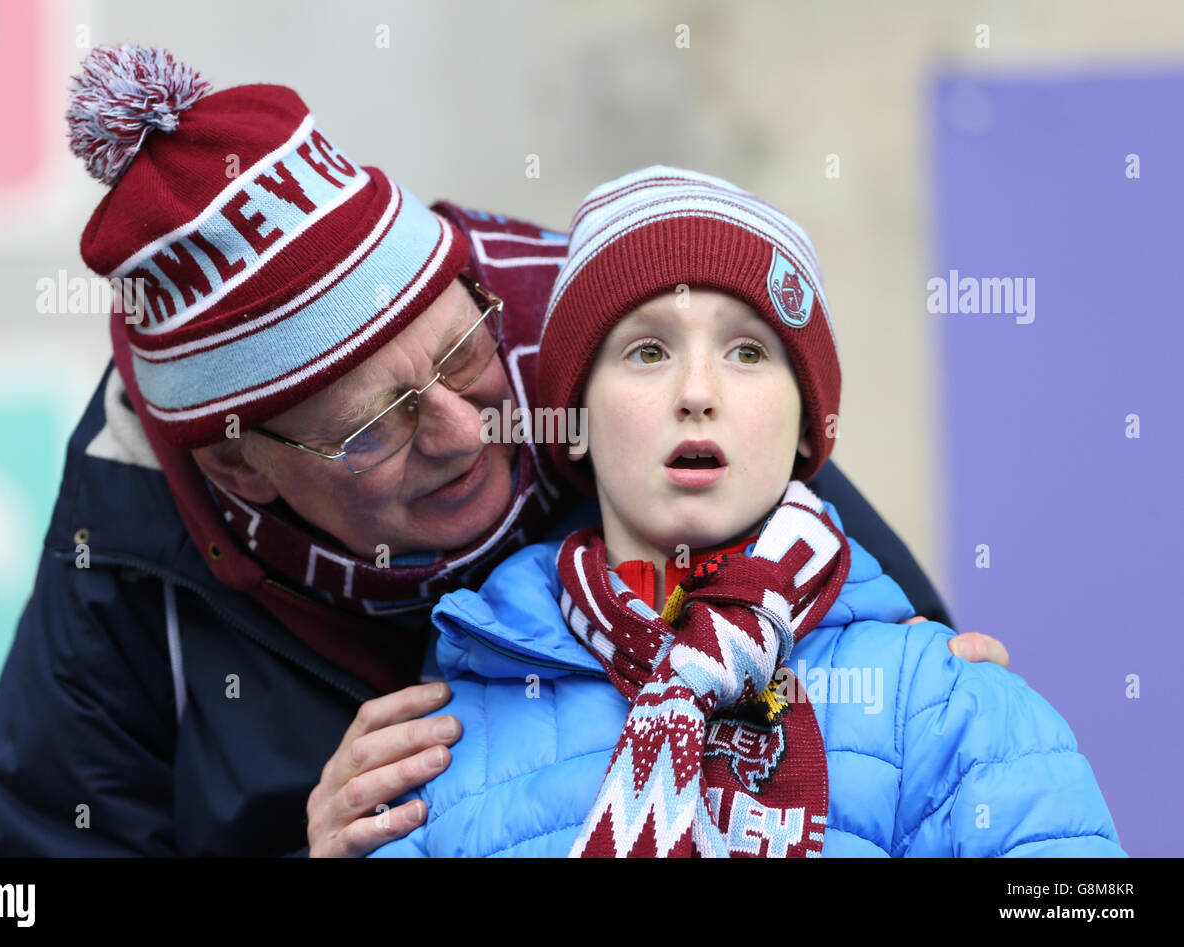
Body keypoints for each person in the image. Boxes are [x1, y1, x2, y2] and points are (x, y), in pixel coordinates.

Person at [0, 47, 1005, 858]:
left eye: (460, 354)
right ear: (241, 467)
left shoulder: (617, 356)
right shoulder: (134, 528)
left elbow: (932, 721)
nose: (468, 430)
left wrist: (945, 722)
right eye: (376, 424)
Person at [369, 167, 1124, 857]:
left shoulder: (940, 696)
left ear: (805, 427)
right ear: (579, 418)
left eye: (748, 352)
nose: (697, 391)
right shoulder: (439, 738)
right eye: (647, 352)